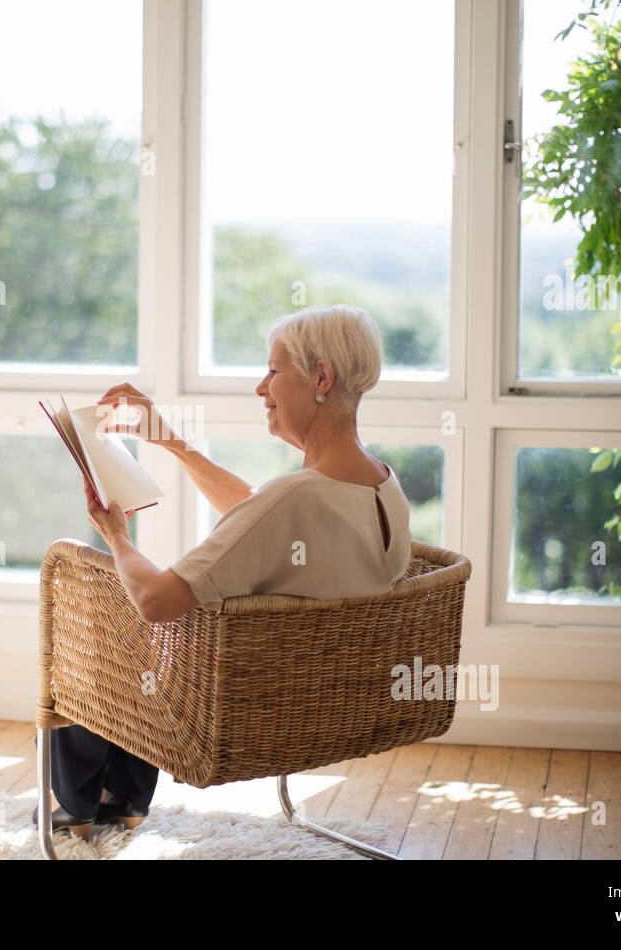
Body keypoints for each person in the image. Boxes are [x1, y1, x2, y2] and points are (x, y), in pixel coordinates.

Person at [38, 304, 412, 837]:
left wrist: (116, 535)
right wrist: (170, 441)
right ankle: (122, 797)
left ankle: (80, 804)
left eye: (274, 371)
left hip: (237, 716)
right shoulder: (381, 486)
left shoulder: (294, 498)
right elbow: (259, 514)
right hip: (333, 703)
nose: (263, 388)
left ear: (322, 379)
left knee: (100, 610)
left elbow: (156, 600)